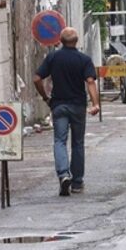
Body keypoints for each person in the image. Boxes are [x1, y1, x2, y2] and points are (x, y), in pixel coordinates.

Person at [33, 27, 100, 196]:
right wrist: (95, 104)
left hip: (59, 106)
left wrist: (45, 97)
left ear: (61, 41)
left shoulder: (53, 57)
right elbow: (90, 81)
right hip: (78, 106)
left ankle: (63, 175)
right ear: (76, 41)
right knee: (78, 143)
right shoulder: (84, 59)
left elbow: (37, 78)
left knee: (59, 141)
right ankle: (77, 183)